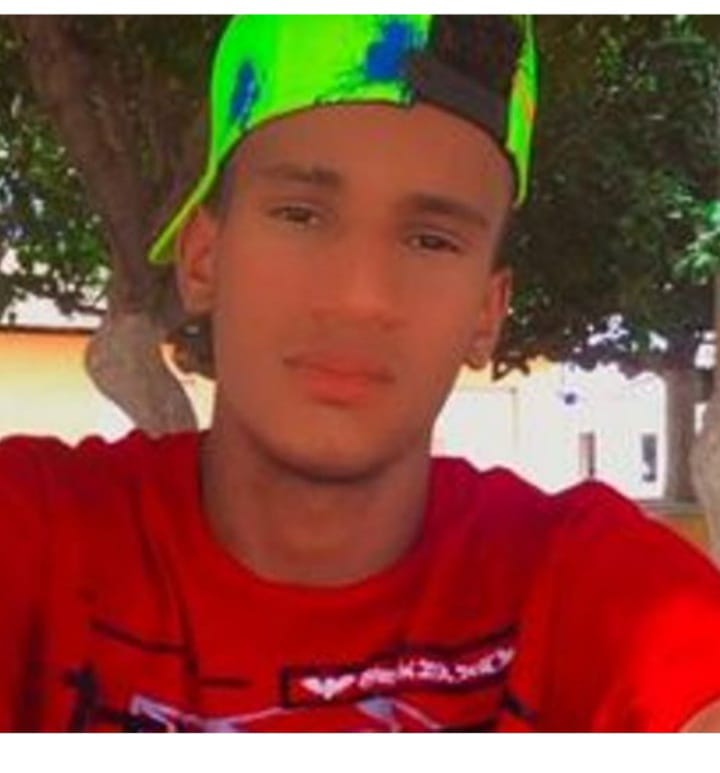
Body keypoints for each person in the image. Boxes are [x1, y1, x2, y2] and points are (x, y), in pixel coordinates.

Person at [2, 14, 720, 733]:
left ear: (487, 311)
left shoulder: (584, 586)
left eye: (431, 240)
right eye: (300, 215)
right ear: (202, 258)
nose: (361, 297)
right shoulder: (39, 537)